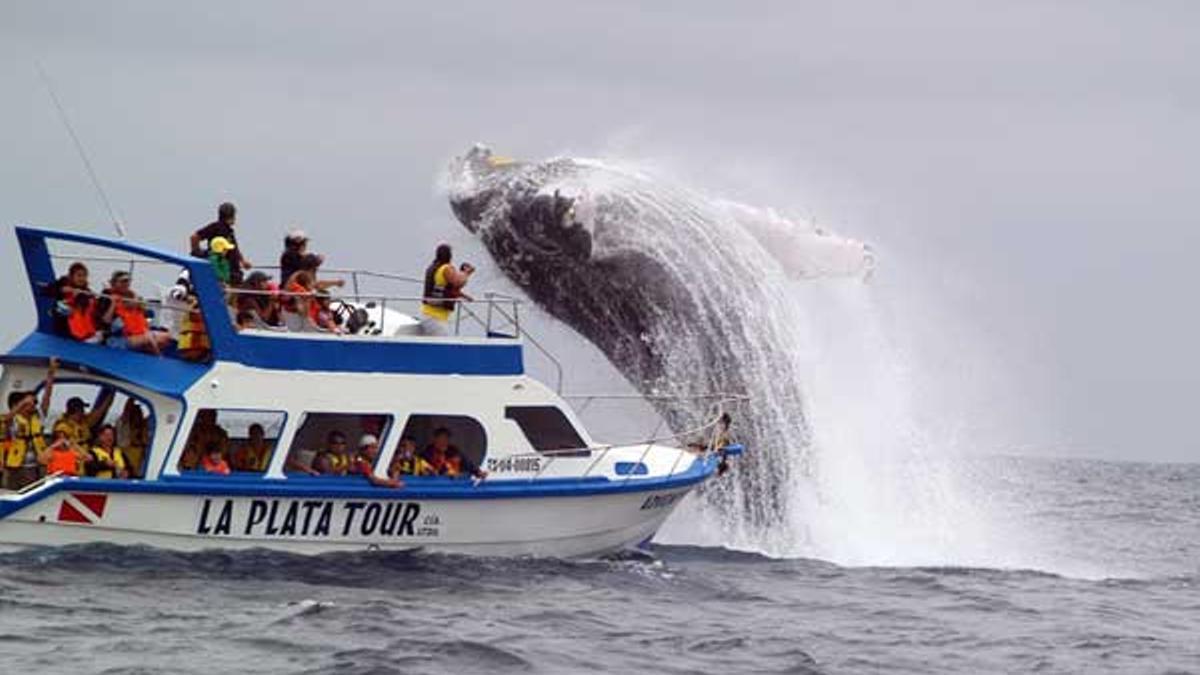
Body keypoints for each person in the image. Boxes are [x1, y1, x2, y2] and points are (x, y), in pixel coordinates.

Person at [3, 358, 57, 489]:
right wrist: (23, 402)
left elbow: (47, 398)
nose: (34, 405)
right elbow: (7, 419)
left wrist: (51, 374)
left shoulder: (37, 417)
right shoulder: (13, 419)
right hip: (18, 468)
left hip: (37, 466)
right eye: (31, 403)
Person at [100, 270, 174, 355]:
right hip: (119, 339)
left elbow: (143, 315)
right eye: (122, 281)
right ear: (114, 283)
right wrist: (113, 304)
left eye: (128, 281)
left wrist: (139, 305)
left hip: (138, 334)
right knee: (149, 338)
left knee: (168, 337)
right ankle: (159, 358)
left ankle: (147, 355)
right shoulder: (107, 298)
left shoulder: (132, 297)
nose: (126, 284)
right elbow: (106, 320)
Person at [419, 244, 474, 336]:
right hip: (434, 317)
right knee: (444, 343)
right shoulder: (445, 269)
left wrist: (464, 296)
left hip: (430, 315)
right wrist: (466, 273)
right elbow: (458, 282)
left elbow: (447, 289)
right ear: (449, 255)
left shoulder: (433, 267)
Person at [190, 202, 250, 286]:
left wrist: (243, 261)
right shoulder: (215, 227)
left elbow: (235, 249)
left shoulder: (229, 231)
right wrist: (198, 255)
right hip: (221, 271)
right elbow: (194, 237)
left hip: (232, 272)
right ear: (232, 216)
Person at [50, 262, 100, 342]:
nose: (82, 278)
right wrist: (62, 290)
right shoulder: (62, 287)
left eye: (84, 276)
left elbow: (94, 313)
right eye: (79, 275)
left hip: (85, 335)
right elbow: (48, 291)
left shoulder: (88, 293)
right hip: (66, 334)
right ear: (72, 276)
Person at [422, 427, 487, 480]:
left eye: (446, 439)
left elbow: (468, 464)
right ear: (435, 439)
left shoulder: (454, 451)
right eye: (441, 439)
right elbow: (426, 471)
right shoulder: (427, 453)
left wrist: (478, 473)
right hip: (437, 486)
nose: (444, 442)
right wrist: (444, 473)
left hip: (454, 486)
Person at [116, 398, 150, 478]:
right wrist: (133, 397)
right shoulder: (124, 430)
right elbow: (126, 413)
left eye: (140, 412)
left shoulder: (145, 428)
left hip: (143, 474)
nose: (139, 415)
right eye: (135, 413)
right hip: (128, 473)